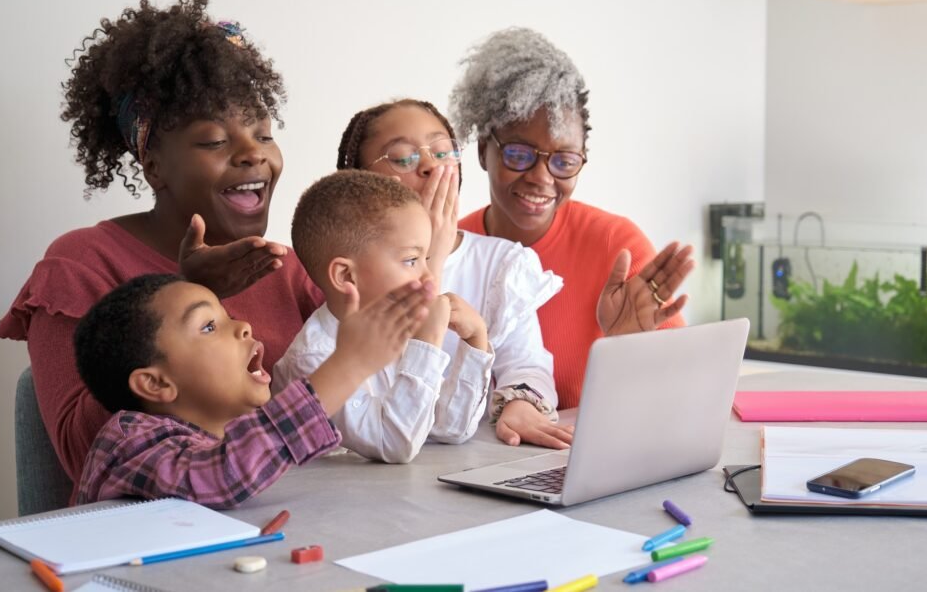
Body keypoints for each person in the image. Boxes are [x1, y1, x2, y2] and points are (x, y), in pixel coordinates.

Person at [0, 0, 322, 488]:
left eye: (263, 134)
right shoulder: (80, 263)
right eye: (214, 140)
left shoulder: (287, 266)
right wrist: (195, 292)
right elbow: (86, 456)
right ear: (154, 166)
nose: (253, 154)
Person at [450, 28, 696, 409]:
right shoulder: (449, 249)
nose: (541, 178)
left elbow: (684, 394)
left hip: (580, 458)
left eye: (564, 161)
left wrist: (625, 351)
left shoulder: (616, 245)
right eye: (519, 154)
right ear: (484, 151)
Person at [74, 273, 433, 508]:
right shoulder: (131, 442)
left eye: (227, 315)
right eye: (210, 326)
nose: (243, 326)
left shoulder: (222, 434)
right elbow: (218, 476)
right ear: (156, 384)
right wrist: (348, 365)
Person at [336, 99, 573, 450]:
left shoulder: (501, 262)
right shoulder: (351, 270)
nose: (431, 166)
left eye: (443, 151)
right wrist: (431, 254)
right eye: (404, 158)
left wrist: (520, 405)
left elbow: (526, 363)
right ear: (359, 183)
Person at [273, 170, 495, 463]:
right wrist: (427, 343)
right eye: (411, 260)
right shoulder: (313, 359)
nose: (429, 275)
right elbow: (394, 443)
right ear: (346, 275)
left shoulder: (394, 333)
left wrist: (476, 340)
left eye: (426, 258)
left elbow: (447, 428)